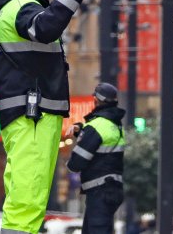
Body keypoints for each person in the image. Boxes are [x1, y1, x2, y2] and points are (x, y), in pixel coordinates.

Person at [0, 0, 95, 234]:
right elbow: (45, 28)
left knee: (29, 193)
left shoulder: (25, 5)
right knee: (29, 193)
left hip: (31, 113)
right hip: (31, 114)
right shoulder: (19, 6)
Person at [67, 83, 126, 234]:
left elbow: (76, 163)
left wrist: (83, 134)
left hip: (100, 191)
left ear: (96, 100)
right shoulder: (115, 125)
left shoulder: (96, 127)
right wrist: (81, 131)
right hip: (112, 189)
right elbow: (100, 146)